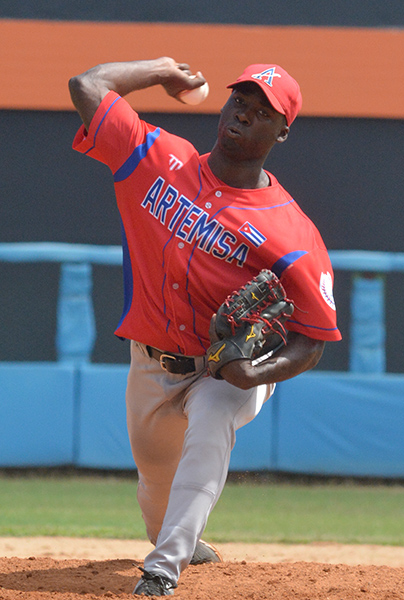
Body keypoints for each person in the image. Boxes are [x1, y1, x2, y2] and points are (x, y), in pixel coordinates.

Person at [69, 57, 341, 596]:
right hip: (152, 361)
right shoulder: (157, 158)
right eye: (241, 100)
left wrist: (256, 371)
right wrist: (163, 69)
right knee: (155, 484)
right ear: (226, 103)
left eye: (264, 112)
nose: (246, 113)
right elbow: (87, 86)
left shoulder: (290, 231)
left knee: (214, 414)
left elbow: (313, 339)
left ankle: (162, 570)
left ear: (282, 131)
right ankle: (179, 538)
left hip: (228, 368)